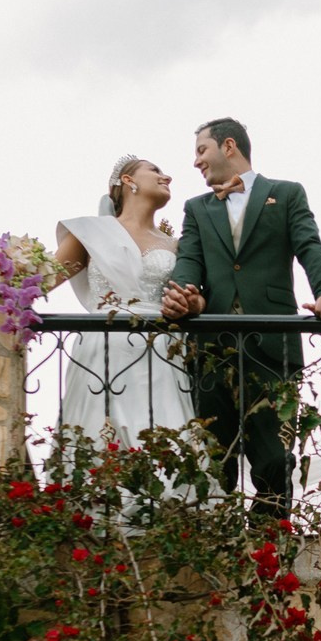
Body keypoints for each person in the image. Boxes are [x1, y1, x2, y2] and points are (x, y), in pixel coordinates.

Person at [159, 117, 321, 513]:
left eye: (201, 150)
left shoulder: (286, 193)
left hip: (272, 347)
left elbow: (310, 247)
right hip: (211, 350)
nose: (195, 161)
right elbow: (189, 261)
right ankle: (219, 539)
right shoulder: (197, 208)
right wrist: (182, 293)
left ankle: (269, 539)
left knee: (274, 459)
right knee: (215, 460)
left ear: (228, 146)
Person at [50, 155, 201, 453]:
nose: (167, 177)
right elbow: (42, 277)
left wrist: (192, 304)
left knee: (164, 439)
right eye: (155, 170)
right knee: (97, 438)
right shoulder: (91, 233)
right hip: (102, 351)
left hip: (160, 352)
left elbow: (194, 295)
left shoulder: (176, 246)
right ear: (128, 180)